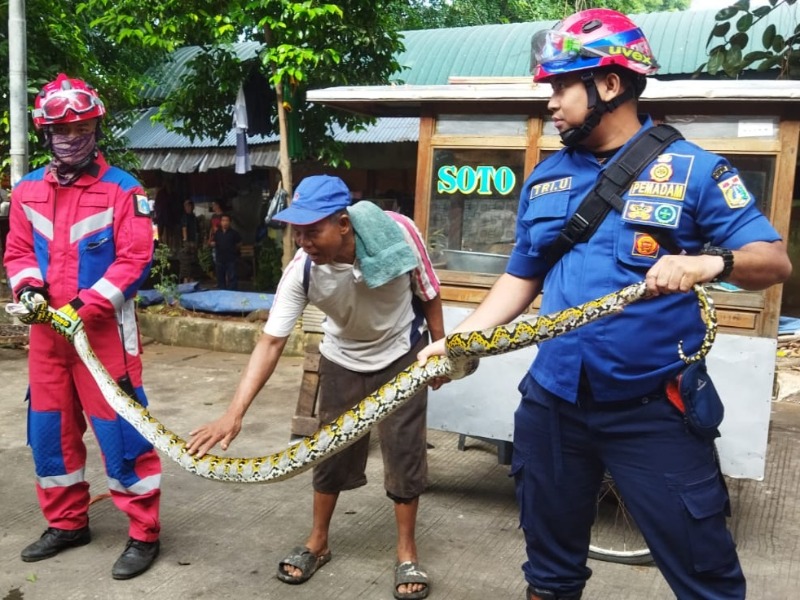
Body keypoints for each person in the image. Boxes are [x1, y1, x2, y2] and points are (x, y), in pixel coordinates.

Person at [418, 9, 792, 600]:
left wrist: (708, 262)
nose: (551, 102)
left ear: (609, 84)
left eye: (561, 86)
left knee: (707, 576)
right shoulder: (544, 177)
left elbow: (773, 261)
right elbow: (521, 278)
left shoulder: (694, 169)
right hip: (553, 405)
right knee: (548, 571)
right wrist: (455, 343)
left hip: (654, 409)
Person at [186, 174, 444, 600]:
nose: (303, 241)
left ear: (343, 224)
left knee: (404, 452)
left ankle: (406, 551)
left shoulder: (397, 235)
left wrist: (439, 350)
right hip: (342, 357)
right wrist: (234, 413)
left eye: (313, 230)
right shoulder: (302, 271)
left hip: (402, 353)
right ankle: (318, 541)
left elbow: (429, 292)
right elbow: (270, 343)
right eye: (297, 231)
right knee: (330, 452)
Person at [3, 74, 162, 579]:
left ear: (95, 129)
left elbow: (136, 260)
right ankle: (68, 523)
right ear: (45, 134)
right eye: (60, 131)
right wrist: (27, 288)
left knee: (122, 433)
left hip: (105, 339)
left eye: (81, 128)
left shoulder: (124, 190)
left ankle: (143, 534)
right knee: (49, 433)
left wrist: (85, 305)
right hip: (47, 340)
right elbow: (19, 251)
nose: (71, 138)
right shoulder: (27, 189)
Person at [211, 213, 242, 290]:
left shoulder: (234, 233)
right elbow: (213, 242)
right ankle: (222, 292)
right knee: (220, 278)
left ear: (230, 222)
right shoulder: (217, 233)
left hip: (231, 259)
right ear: (221, 222)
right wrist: (212, 243)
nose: (225, 222)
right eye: (223, 220)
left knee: (232, 277)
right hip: (220, 259)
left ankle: (232, 292)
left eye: (227, 220)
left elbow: (239, 243)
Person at [179, 198, 199, 282]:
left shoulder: (194, 217)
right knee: (186, 263)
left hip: (193, 241)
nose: (188, 207)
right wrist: (185, 240)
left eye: (189, 206)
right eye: (186, 206)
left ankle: (191, 279)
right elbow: (184, 228)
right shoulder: (184, 217)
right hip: (187, 242)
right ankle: (186, 280)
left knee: (193, 261)